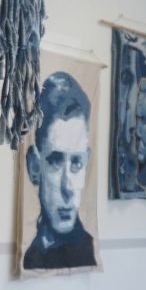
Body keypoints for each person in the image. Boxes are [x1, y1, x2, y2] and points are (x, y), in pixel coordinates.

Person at [23, 71, 96, 270]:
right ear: (34, 167)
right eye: (55, 162)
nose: (68, 188)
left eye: (77, 163)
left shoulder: (87, 252)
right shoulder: (32, 255)